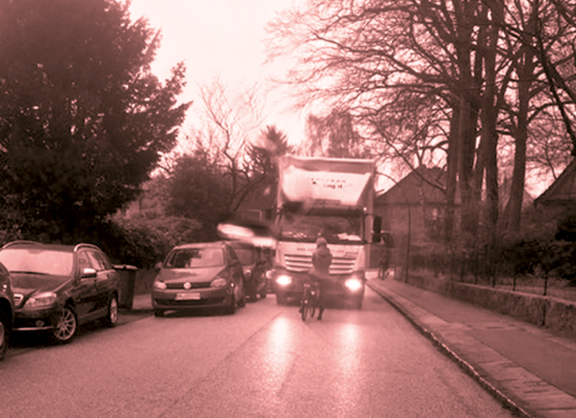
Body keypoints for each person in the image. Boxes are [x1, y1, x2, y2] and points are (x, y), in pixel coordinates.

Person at [307, 237, 332, 320]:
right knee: (323, 296)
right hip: (325, 276)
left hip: (315, 274)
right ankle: (320, 314)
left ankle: (309, 294)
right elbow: (329, 264)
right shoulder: (329, 254)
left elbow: (313, 262)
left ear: (318, 245)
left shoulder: (315, 253)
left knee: (309, 277)